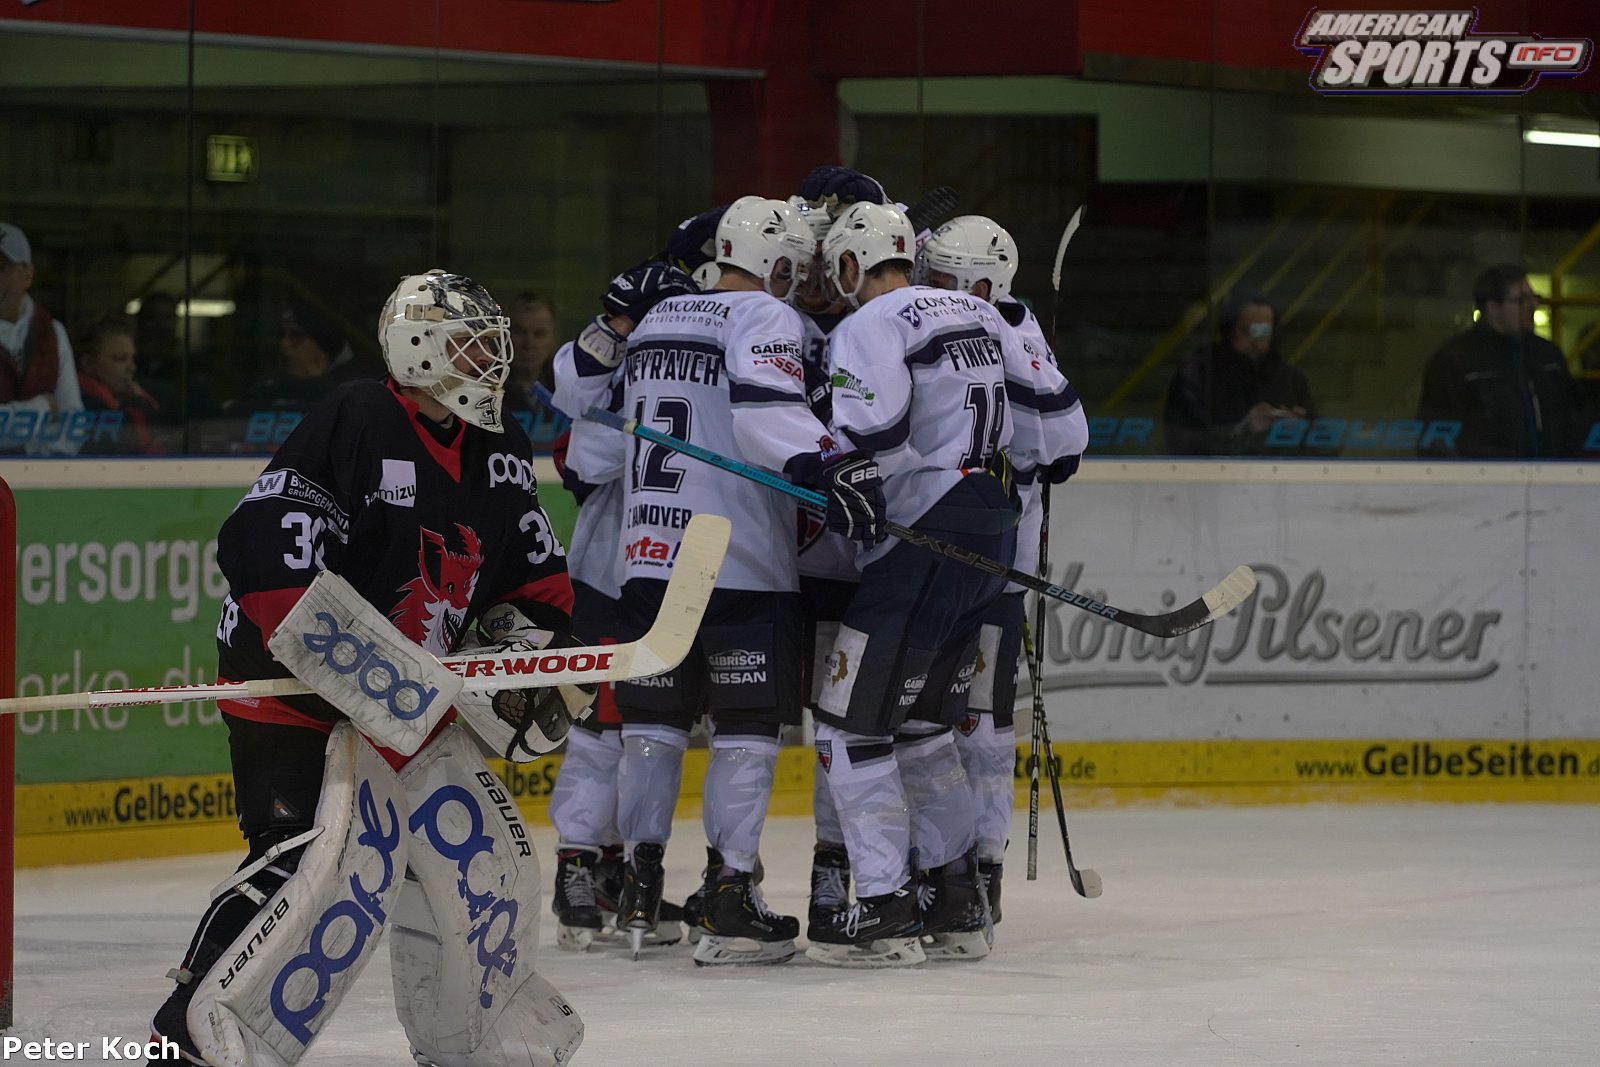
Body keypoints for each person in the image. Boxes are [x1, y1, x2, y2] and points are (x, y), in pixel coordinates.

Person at [146, 269, 588, 1067]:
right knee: (310, 861)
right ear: (418, 347)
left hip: (410, 701)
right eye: (469, 343)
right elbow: (261, 547)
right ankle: (190, 1024)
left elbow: (534, 587)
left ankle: (468, 1035)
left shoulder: (499, 449)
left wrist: (524, 655)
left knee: (480, 859)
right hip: (294, 691)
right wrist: (366, 668)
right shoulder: (357, 417)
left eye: (489, 343)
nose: (489, 359)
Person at [568, 196, 887, 966]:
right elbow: (764, 414)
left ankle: (639, 890)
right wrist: (832, 465)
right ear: (772, 263)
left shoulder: (656, 320)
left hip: (648, 556)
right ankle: (729, 895)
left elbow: (590, 449)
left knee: (653, 727)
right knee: (745, 730)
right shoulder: (765, 317)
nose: (799, 280)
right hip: (737, 557)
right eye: (794, 266)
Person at [806, 202, 1081, 968]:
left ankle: (885, 907)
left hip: (921, 534)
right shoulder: (985, 314)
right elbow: (1059, 432)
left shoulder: (871, 322)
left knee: (849, 727)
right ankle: (958, 901)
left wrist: (833, 471)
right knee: (926, 728)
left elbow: (874, 437)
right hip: (991, 529)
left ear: (853, 264)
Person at [917, 214, 1088, 927]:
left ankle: (978, 871)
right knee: (927, 724)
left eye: (944, 277)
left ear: (982, 285)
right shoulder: (958, 321)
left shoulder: (1009, 330)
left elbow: (1066, 443)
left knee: (975, 722)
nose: (930, 287)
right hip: (939, 556)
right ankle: (940, 872)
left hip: (986, 565)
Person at [543, 261, 699, 952]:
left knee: (647, 734)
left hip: (666, 572)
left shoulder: (680, 374)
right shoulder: (617, 368)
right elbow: (580, 454)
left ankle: (616, 868)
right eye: (613, 318)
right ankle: (577, 863)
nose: (617, 329)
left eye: (627, 319)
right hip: (609, 575)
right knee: (599, 730)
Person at [1416, 264, 1582, 458]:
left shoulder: (1548, 356)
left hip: (1552, 472)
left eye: (1533, 297)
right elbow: (1436, 436)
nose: (1533, 305)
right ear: (1493, 308)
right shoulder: (1456, 360)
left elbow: (1572, 419)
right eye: (1521, 300)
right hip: (1483, 473)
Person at [1162, 291, 1316, 455]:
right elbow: (1181, 442)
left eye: (1265, 332)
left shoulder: (1291, 379)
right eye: (1250, 331)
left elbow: (1323, 449)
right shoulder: (1198, 374)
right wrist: (1242, 431)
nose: (1257, 343)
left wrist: (1303, 431)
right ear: (1229, 330)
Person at [0, 221, 85, 455]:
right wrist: (42, 408)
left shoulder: (52, 332)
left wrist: (28, 449)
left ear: (28, 275)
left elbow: (74, 426)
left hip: (40, 474)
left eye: (2, 267)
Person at [262, 299, 377, 410]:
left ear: (323, 342)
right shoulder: (272, 388)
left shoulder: (360, 391)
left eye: (297, 335)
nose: (285, 344)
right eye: (282, 334)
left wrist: (317, 383)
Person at [74, 316, 163, 454]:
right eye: (120, 359)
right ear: (88, 364)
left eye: (132, 359)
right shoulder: (82, 406)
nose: (132, 368)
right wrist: (139, 405)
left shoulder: (126, 399)